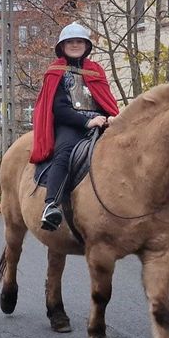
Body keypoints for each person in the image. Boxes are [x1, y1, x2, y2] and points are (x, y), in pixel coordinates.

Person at [30, 22, 119, 231]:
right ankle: (51, 205)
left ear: (86, 45)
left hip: (100, 123)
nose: (75, 45)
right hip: (71, 125)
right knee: (64, 154)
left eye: (79, 41)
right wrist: (87, 121)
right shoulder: (56, 71)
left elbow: (104, 99)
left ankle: (168, 201)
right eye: (70, 42)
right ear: (62, 46)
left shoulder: (96, 70)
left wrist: (112, 116)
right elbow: (59, 108)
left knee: (132, 145)